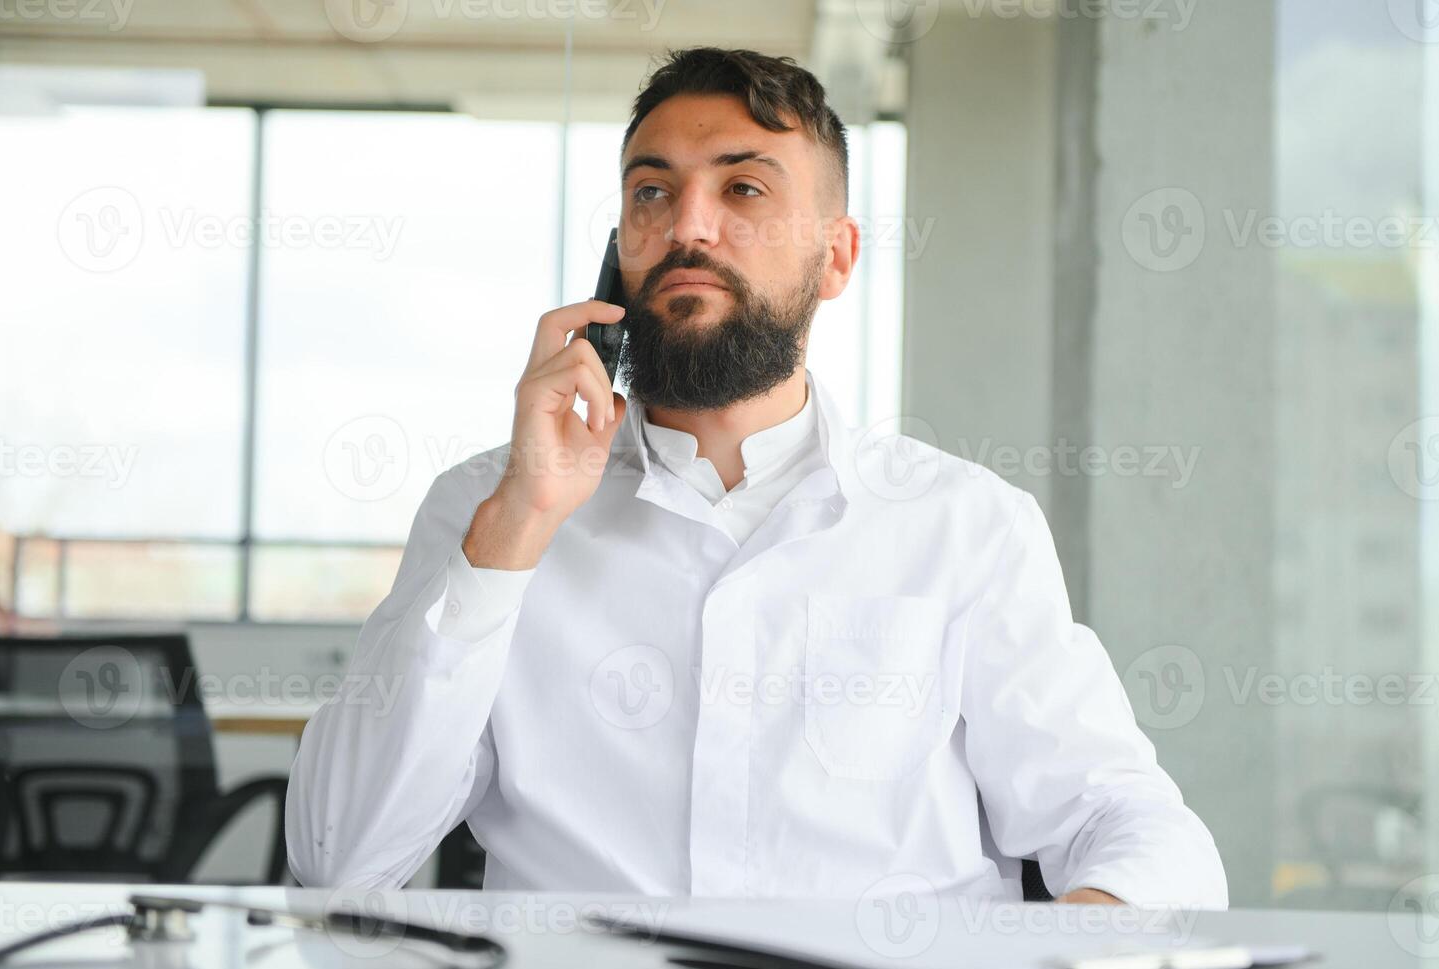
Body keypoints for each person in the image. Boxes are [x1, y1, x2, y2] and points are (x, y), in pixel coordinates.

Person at [286, 47, 1227, 908]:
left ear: (836, 257)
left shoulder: (965, 525)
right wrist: (514, 533)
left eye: (742, 188)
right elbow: (337, 859)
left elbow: (1124, 822)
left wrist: (1075, 948)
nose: (687, 227)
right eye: (651, 192)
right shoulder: (487, 509)